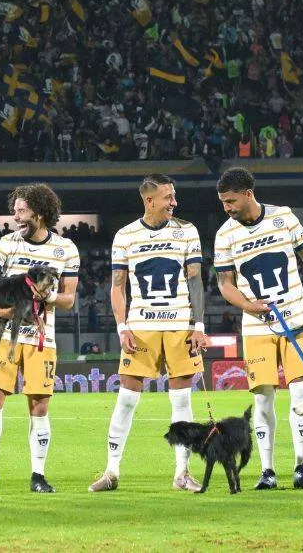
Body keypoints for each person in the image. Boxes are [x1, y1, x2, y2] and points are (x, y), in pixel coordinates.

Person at [89, 174, 208, 493]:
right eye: (168, 197)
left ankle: (182, 473)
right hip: (141, 327)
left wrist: (198, 326)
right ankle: (111, 471)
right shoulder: (125, 236)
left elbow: (195, 280)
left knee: (181, 399)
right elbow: (118, 286)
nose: (174, 202)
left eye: (174, 196)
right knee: (127, 398)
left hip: (180, 324)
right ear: (149, 200)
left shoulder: (187, 231)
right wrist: (122, 326)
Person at [213, 167, 303, 490]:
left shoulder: (283, 217)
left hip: (297, 320)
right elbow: (225, 283)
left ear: (248, 194)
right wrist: (249, 306)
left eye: (231, 201)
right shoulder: (225, 234)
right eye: (223, 202)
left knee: (301, 395)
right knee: (263, 401)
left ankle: (301, 467)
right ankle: (268, 471)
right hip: (257, 327)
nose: (227, 208)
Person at [0, 183, 79, 494]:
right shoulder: (7, 244)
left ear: (40, 213)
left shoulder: (66, 249)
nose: (16, 217)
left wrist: (47, 296)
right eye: (14, 210)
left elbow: (69, 299)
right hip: (5, 338)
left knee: (39, 406)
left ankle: (38, 476)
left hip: (42, 340)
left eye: (22, 211)